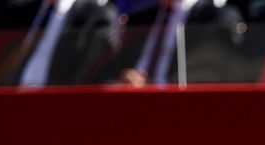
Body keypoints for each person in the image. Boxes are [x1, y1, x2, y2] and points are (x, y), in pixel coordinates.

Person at [0, 0, 120, 87]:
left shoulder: (97, 16)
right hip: (4, 100)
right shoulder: (15, 8)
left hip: (53, 109)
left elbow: (91, 76)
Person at [104, 0, 245, 86]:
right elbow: (112, 65)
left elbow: (220, 65)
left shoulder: (216, 17)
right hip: (133, 101)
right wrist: (125, 78)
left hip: (179, 104)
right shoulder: (138, 17)